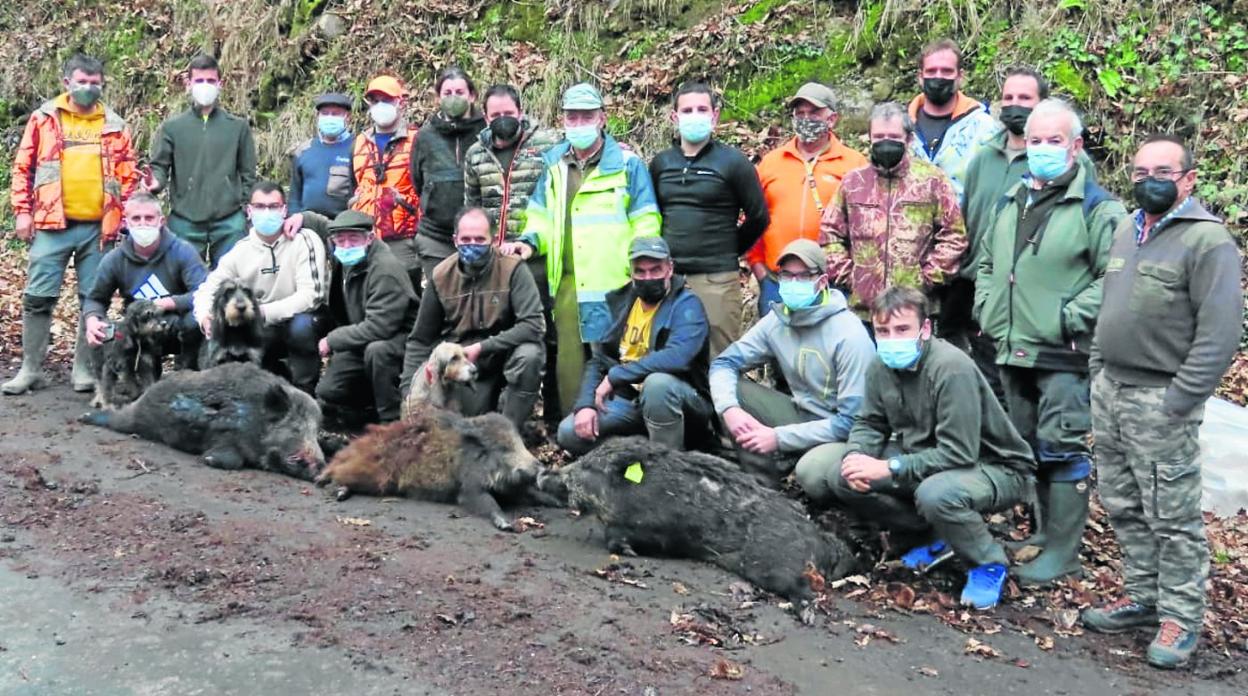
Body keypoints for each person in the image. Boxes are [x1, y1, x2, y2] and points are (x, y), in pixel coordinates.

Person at [1081, 135, 1243, 670]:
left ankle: (1180, 615)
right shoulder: (1129, 229)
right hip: (1111, 391)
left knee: (1171, 513)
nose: (1150, 179)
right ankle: (1142, 594)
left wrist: (1180, 399)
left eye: (1163, 171)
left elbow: (1220, 336)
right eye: (1141, 169)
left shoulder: (1207, 243)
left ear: (1188, 180)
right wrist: (1098, 370)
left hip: (1161, 397)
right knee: (1124, 503)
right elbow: (1112, 307)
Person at [973, 98, 1126, 586]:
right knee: (1028, 443)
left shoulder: (1099, 209)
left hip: (1063, 351)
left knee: (1062, 446)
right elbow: (989, 263)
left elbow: (1117, 276)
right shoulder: (1012, 198)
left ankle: (1065, 551)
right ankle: (1041, 534)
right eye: (1035, 141)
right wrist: (987, 308)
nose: (1042, 149)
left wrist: (1069, 317)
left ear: (1075, 146)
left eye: (1053, 141)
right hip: (1012, 345)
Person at [826, 287, 1034, 610]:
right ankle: (931, 537)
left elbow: (959, 453)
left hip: (994, 466)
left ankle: (988, 564)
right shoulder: (880, 367)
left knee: (936, 494)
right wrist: (856, 454)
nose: (892, 338)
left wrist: (890, 467)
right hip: (930, 461)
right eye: (883, 331)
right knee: (844, 474)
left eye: (902, 329)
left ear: (925, 329)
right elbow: (870, 423)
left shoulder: (951, 368)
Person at [501, 83, 661, 419]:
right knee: (570, 365)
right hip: (569, 283)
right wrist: (529, 243)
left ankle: (617, 432)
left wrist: (642, 267)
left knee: (616, 361)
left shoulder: (628, 165)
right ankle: (574, 434)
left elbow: (646, 220)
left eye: (586, 116)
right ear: (562, 120)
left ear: (602, 118)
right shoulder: (555, 166)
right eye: (572, 117)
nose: (579, 123)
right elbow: (541, 217)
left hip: (616, 283)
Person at [6, 53, 140, 396]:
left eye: (95, 83)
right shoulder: (44, 118)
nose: (88, 88)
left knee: (92, 298)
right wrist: (22, 211)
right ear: (67, 82)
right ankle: (30, 369)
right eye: (82, 82)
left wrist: (129, 220)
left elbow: (128, 179)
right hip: (52, 224)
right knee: (38, 296)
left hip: (100, 228)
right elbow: (23, 167)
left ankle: (83, 369)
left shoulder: (115, 125)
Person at [709, 239, 874, 488]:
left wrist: (779, 438)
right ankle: (762, 487)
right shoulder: (778, 320)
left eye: (803, 276)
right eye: (786, 275)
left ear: (821, 282)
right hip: (799, 415)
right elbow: (724, 362)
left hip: (840, 433)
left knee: (811, 475)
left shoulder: (849, 335)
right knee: (735, 392)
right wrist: (729, 409)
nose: (793, 283)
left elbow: (853, 422)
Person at [956, 66, 1077, 396]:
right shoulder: (983, 158)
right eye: (1008, 97)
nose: (1014, 104)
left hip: (1035, 298)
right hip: (981, 290)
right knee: (986, 385)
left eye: (1025, 98)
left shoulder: (1059, 160)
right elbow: (967, 220)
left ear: (1043, 103)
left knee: (1026, 392)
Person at [557, 237, 712, 455]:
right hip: (630, 400)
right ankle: (633, 458)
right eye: (640, 271)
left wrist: (615, 376)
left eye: (656, 270)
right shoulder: (621, 301)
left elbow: (678, 356)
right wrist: (585, 404)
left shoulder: (687, 305)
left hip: (681, 400)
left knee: (657, 384)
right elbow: (599, 359)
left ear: (670, 269)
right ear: (631, 273)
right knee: (569, 432)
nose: (648, 277)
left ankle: (669, 465)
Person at [649, 81, 769, 357]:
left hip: (717, 280)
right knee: (667, 355)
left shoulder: (734, 163)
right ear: (674, 117)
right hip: (670, 279)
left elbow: (758, 216)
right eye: (687, 110)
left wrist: (728, 249)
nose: (695, 115)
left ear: (715, 116)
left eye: (702, 109)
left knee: (719, 359)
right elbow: (651, 213)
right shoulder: (661, 164)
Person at [820, 102, 967, 322]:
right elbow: (829, 232)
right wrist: (852, 277)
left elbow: (954, 236)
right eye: (878, 136)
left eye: (893, 136)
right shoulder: (853, 182)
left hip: (915, 311)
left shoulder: (931, 180)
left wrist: (925, 278)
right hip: (862, 313)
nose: (885, 142)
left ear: (908, 139)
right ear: (869, 138)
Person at [401, 208, 545, 429]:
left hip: (505, 354)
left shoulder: (513, 268)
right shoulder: (441, 275)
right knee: (466, 426)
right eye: (465, 239)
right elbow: (420, 339)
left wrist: (484, 346)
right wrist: (409, 392)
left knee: (530, 355)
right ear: (455, 240)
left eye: (480, 239)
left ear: (494, 239)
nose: (472, 245)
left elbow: (534, 325)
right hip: (465, 364)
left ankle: (509, 433)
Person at [193, 181, 328, 393]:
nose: (267, 212)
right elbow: (208, 287)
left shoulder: (304, 240)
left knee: (301, 327)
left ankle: (305, 390)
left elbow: (311, 295)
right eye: (260, 207)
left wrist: (260, 312)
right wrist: (204, 316)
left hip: (305, 319)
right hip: (264, 325)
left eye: (273, 206)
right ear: (249, 211)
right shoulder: (240, 251)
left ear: (284, 209)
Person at [751, 83, 866, 317]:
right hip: (778, 282)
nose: (806, 119)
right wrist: (759, 271)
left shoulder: (854, 164)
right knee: (778, 350)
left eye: (814, 113)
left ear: (832, 119)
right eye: (800, 113)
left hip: (832, 284)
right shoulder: (771, 162)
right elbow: (753, 219)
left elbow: (865, 225)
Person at [149, 53, 257, 268]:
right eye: (199, 81)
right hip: (184, 219)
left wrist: (246, 207)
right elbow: (159, 166)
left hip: (229, 220)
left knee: (230, 282)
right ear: (188, 84)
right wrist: (155, 183)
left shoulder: (238, 127)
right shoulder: (173, 127)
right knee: (183, 279)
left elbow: (248, 173)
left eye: (210, 81)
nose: (205, 86)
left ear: (220, 84)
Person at [315, 210, 419, 424]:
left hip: (399, 339)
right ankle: (368, 409)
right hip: (362, 334)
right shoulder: (346, 260)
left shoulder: (385, 270)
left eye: (353, 239)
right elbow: (319, 223)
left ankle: (390, 419)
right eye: (340, 240)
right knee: (329, 390)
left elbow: (379, 327)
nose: (345, 246)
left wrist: (333, 339)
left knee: (377, 351)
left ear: (370, 238)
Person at [83, 192, 208, 368]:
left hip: (175, 325)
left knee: (198, 320)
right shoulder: (114, 259)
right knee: (99, 328)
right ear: (126, 223)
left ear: (161, 221)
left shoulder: (183, 251)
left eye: (149, 218)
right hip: (136, 327)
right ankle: (110, 385)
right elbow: (95, 299)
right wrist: (92, 320)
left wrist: (166, 303)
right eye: (136, 218)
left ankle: (188, 372)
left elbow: (205, 292)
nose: (142, 223)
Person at [410, 67, 487, 282]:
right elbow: (417, 182)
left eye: (460, 92)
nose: (454, 97)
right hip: (436, 238)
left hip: (478, 237)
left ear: (472, 96)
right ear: (438, 97)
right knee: (441, 301)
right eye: (447, 93)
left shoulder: (486, 133)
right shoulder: (425, 137)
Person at [463, 84, 563, 243]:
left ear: (520, 112)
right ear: (486, 117)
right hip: (493, 252)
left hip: (534, 247)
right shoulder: (476, 154)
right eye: (495, 115)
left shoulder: (548, 144)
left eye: (508, 113)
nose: (502, 118)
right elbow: (472, 207)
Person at [907, 39, 996, 198]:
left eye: (946, 71)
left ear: (960, 76)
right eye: (931, 71)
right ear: (920, 76)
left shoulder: (982, 128)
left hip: (964, 221)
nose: (939, 77)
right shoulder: (901, 128)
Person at [351, 74, 420, 280]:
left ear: (401, 102)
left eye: (387, 100)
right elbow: (352, 183)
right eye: (375, 100)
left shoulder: (416, 140)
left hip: (403, 237)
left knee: (406, 297)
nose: (380, 105)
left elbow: (426, 187)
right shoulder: (360, 142)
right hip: (365, 235)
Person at [288, 92, 356, 221]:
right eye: (325, 113)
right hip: (307, 225)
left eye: (335, 114)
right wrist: (293, 218)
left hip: (344, 227)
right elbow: (294, 196)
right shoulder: (304, 150)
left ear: (348, 117)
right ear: (318, 116)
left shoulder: (359, 148)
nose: (330, 117)